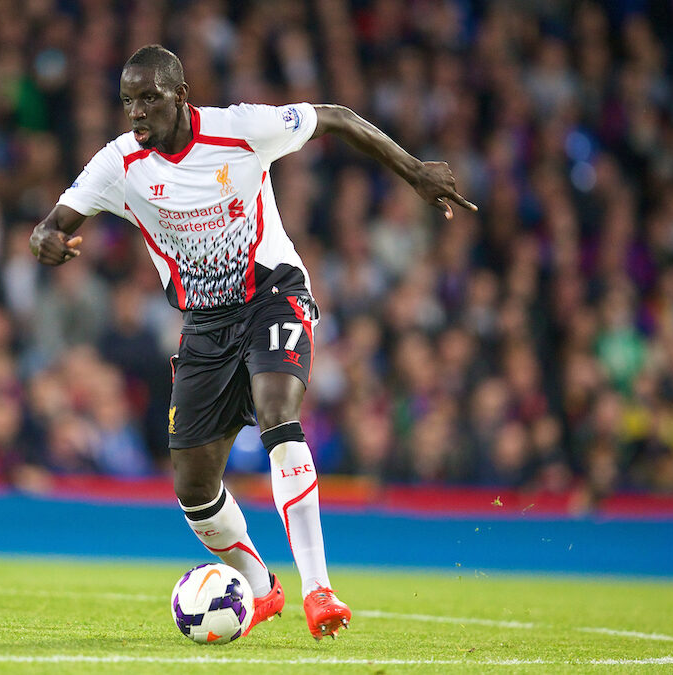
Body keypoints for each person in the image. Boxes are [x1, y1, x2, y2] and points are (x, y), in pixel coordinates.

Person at [30, 45, 476, 640]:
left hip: (272, 293)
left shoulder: (240, 128)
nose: (136, 112)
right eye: (128, 101)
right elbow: (55, 222)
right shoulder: (119, 163)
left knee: (277, 416)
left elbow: (336, 115)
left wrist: (415, 171)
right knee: (192, 486)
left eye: (149, 98)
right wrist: (46, 240)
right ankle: (261, 586)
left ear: (180, 95)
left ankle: (320, 589)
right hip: (204, 326)